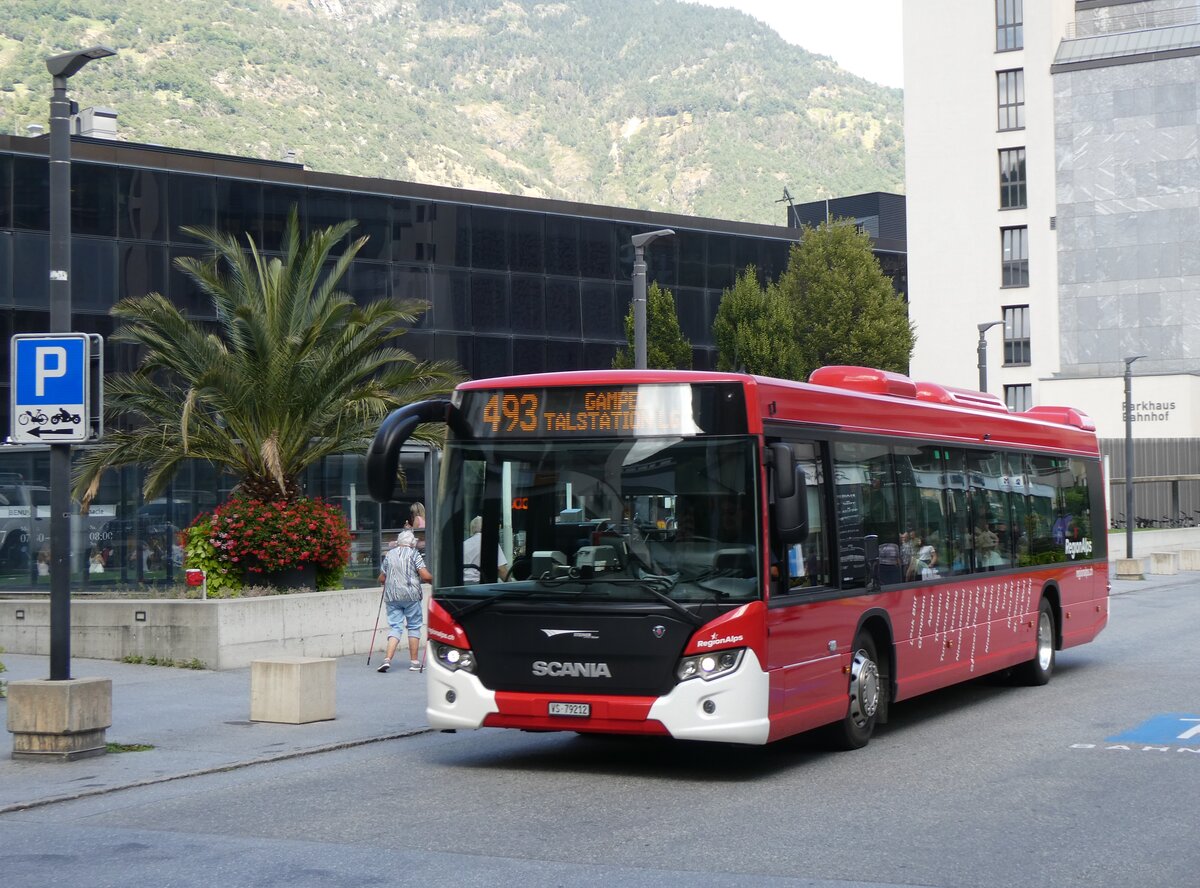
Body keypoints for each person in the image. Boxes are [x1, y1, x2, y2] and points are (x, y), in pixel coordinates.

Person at [376, 530, 431, 673]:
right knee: (413, 626)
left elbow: (382, 579)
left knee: (395, 627)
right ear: (412, 543)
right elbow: (425, 576)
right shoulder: (414, 554)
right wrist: (436, 581)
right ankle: (414, 662)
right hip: (411, 596)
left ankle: (387, 659)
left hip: (392, 597)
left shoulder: (389, 555)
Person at [463, 515, 508, 583]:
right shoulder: (490, 543)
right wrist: (510, 584)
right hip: (481, 585)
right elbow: (501, 570)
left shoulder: (464, 544)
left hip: (463, 585)